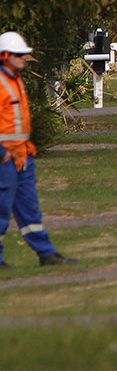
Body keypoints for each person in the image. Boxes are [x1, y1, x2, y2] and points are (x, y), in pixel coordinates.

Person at [0, 32, 73, 269]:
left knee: (30, 209)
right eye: (20, 54)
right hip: (5, 159)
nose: (24, 58)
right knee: (2, 209)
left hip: (22, 156)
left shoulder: (15, 79)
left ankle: (46, 254)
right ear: (6, 56)